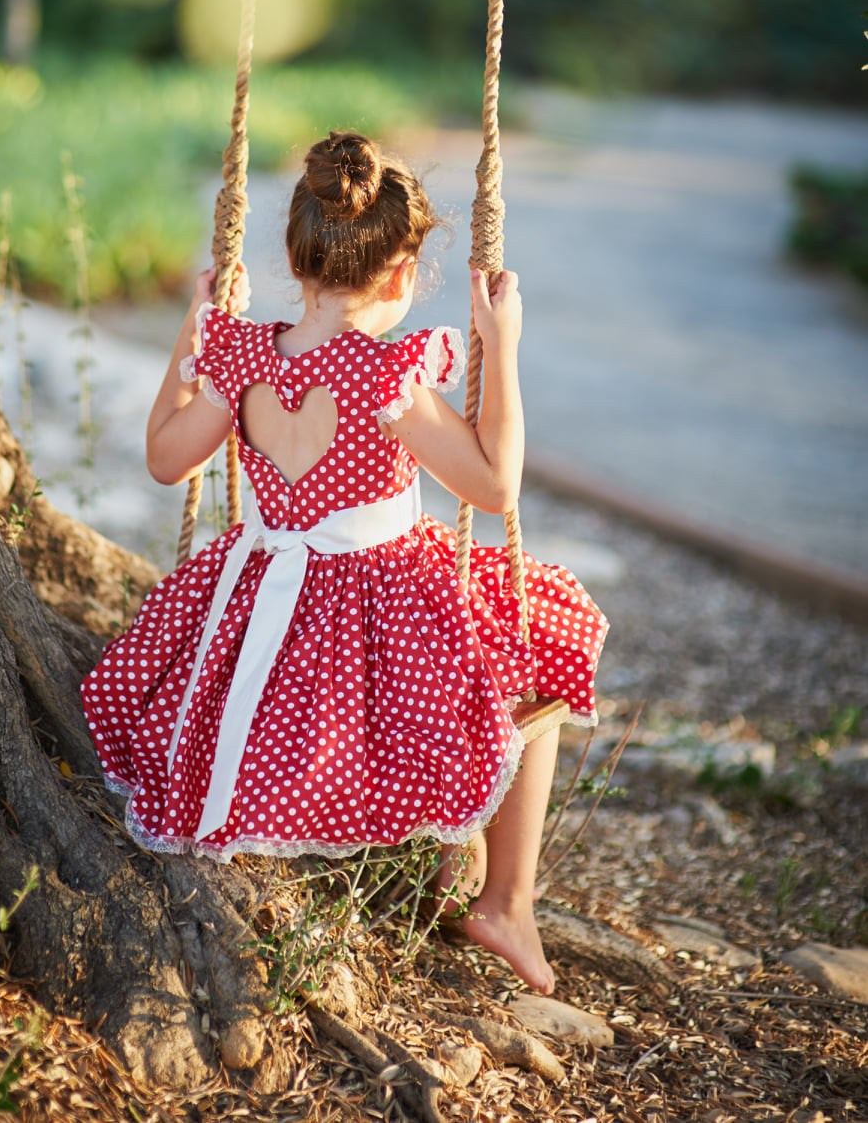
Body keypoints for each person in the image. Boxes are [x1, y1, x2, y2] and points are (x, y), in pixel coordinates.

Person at [81, 130, 608, 994]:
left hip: (255, 600)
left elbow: (166, 459)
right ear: (402, 275)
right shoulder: (386, 373)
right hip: (378, 601)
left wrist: (193, 329)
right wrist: (501, 345)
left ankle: (453, 858)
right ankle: (505, 900)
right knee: (540, 629)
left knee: (488, 656)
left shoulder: (241, 352)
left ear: (297, 256)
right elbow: (495, 485)